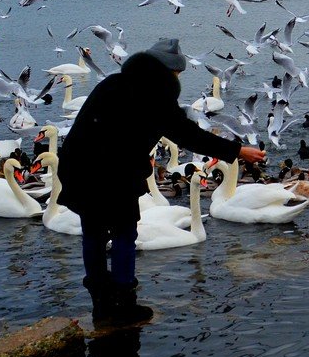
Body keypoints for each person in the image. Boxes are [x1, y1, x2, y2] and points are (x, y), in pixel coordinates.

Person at [58, 38, 265, 325]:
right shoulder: (154, 96)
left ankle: (101, 307)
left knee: (93, 235)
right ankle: (124, 306)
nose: (178, 78)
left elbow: (87, 130)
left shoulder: (111, 84)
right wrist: (237, 151)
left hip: (77, 168)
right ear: (167, 71)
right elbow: (189, 135)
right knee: (123, 235)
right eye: (178, 73)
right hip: (110, 174)